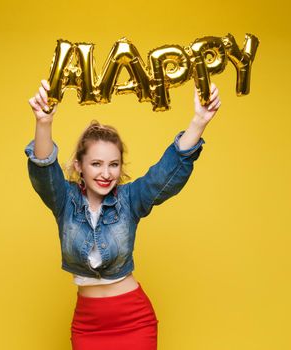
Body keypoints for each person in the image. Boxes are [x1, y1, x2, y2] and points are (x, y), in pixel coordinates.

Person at [25, 79, 221, 350]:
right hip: (88, 325)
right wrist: (43, 122)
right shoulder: (65, 201)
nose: (106, 173)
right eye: (96, 164)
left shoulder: (129, 200)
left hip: (133, 320)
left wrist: (199, 121)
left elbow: (164, 175)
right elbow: (44, 170)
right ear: (79, 166)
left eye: (113, 165)